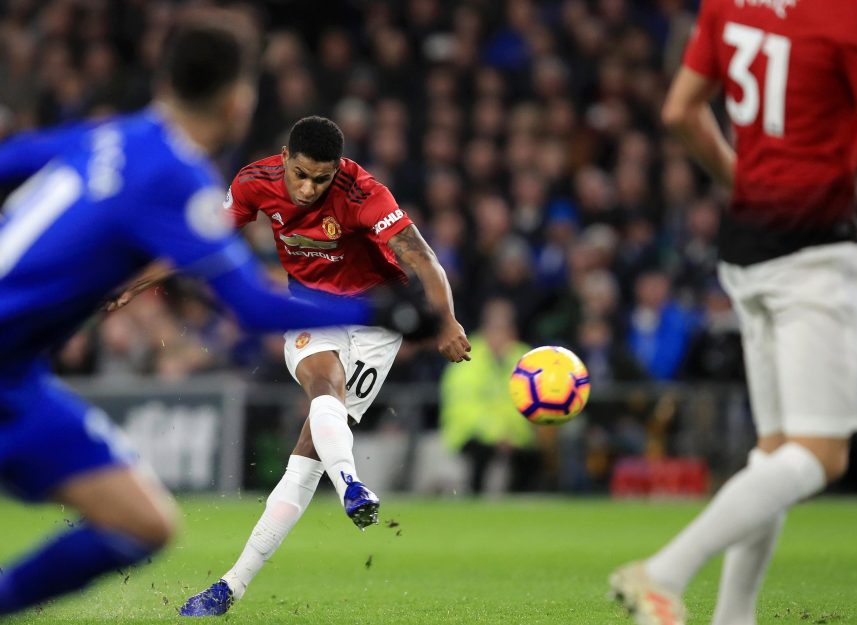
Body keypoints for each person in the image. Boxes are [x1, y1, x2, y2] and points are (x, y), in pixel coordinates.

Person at [0, 15, 413, 617]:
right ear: (237, 101)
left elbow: (10, 159)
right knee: (142, 525)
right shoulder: (178, 175)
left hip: (16, 377)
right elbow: (249, 304)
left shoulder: (109, 133)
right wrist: (384, 311)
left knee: (142, 521)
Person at [609, 2, 857, 625]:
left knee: (775, 454)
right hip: (814, 253)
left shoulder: (727, 3)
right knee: (822, 455)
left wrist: (738, 179)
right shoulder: (847, 13)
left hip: (746, 250)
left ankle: (733, 618)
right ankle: (663, 573)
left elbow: (680, 110)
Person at [176, 116, 471, 616]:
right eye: (302, 175)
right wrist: (132, 282)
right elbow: (200, 244)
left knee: (307, 455)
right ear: (286, 158)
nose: (310, 188)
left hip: (378, 323)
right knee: (322, 385)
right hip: (314, 308)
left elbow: (423, 259)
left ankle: (230, 587)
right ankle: (352, 485)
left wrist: (446, 320)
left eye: (322, 178)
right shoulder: (254, 181)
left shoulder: (363, 194)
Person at [439, 298, 537, 494]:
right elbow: (464, 408)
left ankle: (522, 501)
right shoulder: (465, 355)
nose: (499, 336)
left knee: (533, 458)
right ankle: (475, 497)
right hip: (471, 434)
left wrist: (513, 436)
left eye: (504, 329)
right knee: (481, 454)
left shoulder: (525, 358)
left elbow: (529, 401)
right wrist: (499, 436)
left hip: (514, 436)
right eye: (495, 329)